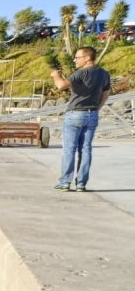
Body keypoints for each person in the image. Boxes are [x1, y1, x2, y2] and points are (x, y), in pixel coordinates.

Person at [51, 46, 110, 192]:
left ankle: (65, 182)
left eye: (77, 57)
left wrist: (55, 75)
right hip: (92, 114)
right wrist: (97, 108)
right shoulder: (104, 74)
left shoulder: (81, 73)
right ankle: (81, 183)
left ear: (87, 58)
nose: (75, 60)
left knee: (69, 149)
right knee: (86, 149)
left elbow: (61, 85)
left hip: (75, 114)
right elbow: (105, 94)